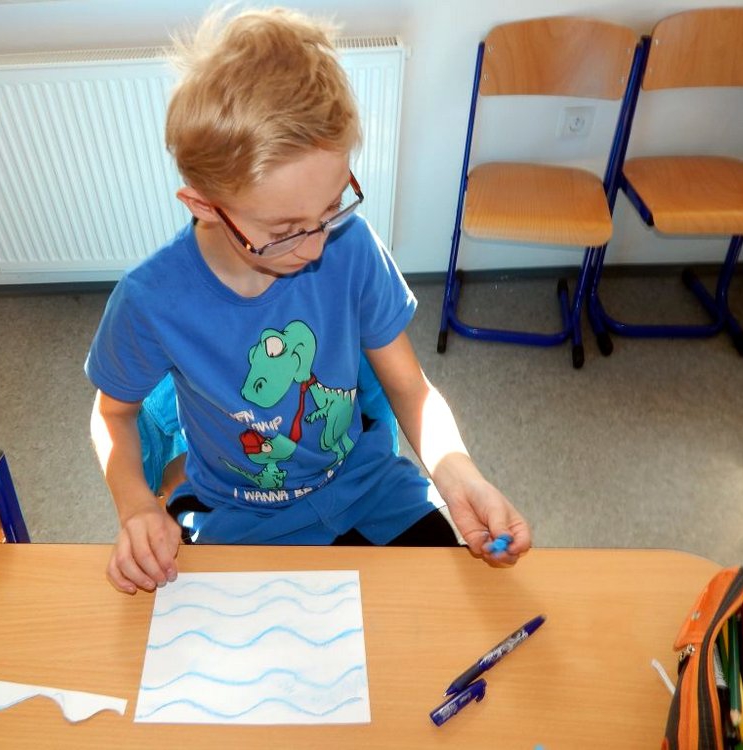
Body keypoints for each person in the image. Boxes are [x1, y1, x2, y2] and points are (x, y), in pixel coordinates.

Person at [86, 7, 531, 595]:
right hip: (235, 516)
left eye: (331, 207)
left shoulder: (352, 247)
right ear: (203, 205)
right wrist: (137, 507)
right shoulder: (151, 301)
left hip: (368, 490)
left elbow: (410, 388)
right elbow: (112, 415)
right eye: (286, 230)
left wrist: (458, 471)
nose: (317, 245)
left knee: (444, 614)